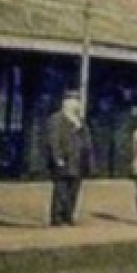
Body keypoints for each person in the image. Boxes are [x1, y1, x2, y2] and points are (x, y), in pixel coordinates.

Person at [45, 90, 92, 227]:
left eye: (76, 101)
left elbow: (87, 142)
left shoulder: (80, 121)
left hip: (78, 162)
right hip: (63, 161)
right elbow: (53, 140)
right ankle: (57, 217)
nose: (75, 104)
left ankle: (69, 215)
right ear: (65, 103)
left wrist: (87, 159)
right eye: (71, 101)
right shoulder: (56, 119)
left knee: (74, 190)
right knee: (61, 190)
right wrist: (57, 157)